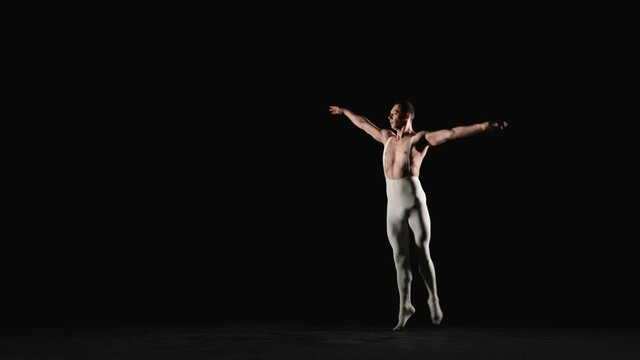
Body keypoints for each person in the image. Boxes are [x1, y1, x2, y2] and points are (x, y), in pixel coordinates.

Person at [329, 100, 507, 330]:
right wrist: (345, 112)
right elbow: (363, 123)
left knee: (423, 252)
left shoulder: (419, 140)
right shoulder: (387, 138)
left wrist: (484, 127)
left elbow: (451, 133)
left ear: (406, 117)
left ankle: (433, 298)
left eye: (394, 113)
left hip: (414, 203)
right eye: (390, 113)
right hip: (392, 207)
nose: (389, 117)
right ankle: (405, 307)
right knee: (399, 259)